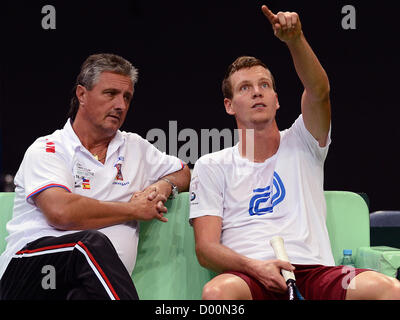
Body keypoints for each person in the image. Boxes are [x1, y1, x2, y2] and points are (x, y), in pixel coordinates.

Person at [189, 5, 400, 300]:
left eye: (265, 85)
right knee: (217, 292)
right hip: (251, 275)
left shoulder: (303, 140)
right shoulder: (211, 165)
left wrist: (295, 40)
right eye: (245, 88)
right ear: (229, 104)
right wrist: (255, 267)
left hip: (316, 273)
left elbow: (319, 91)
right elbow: (206, 249)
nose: (257, 92)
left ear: (277, 100)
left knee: (389, 290)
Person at [0, 53, 190, 300]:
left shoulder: (135, 147)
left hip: (88, 284)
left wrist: (164, 186)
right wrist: (133, 210)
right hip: (28, 275)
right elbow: (61, 213)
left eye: (127, 97)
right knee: (88, 245)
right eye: (110, 94)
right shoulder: (49, 148)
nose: (121, 105)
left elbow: (183, 172)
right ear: (82, 94)